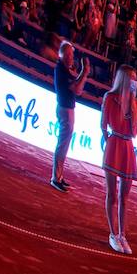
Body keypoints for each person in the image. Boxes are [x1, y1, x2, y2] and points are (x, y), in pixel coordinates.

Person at [100, 64, 137, 254]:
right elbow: (104, 123)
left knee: (124, 196)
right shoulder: (110, 98)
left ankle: (122, 234)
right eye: (131, 78)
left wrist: (130, 107)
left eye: (135, 78)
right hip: (115, 144)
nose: (134, 82)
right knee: (112, 193)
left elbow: (134, 132)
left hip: (127, 147)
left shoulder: (136, 104)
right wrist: (108, 140)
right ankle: (113, 232)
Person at [51, 38, 89, 192]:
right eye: (69, 56)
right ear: (63, 56)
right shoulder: (62, 70)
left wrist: (82, 73)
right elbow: (77, 89)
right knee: (63, 144)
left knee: (64, 144)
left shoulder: (63, 69)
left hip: (66, 108)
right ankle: (56, 177)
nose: (71, 58)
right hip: (65, 109)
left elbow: (76, 86)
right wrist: (84, 73)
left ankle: (58, 176)